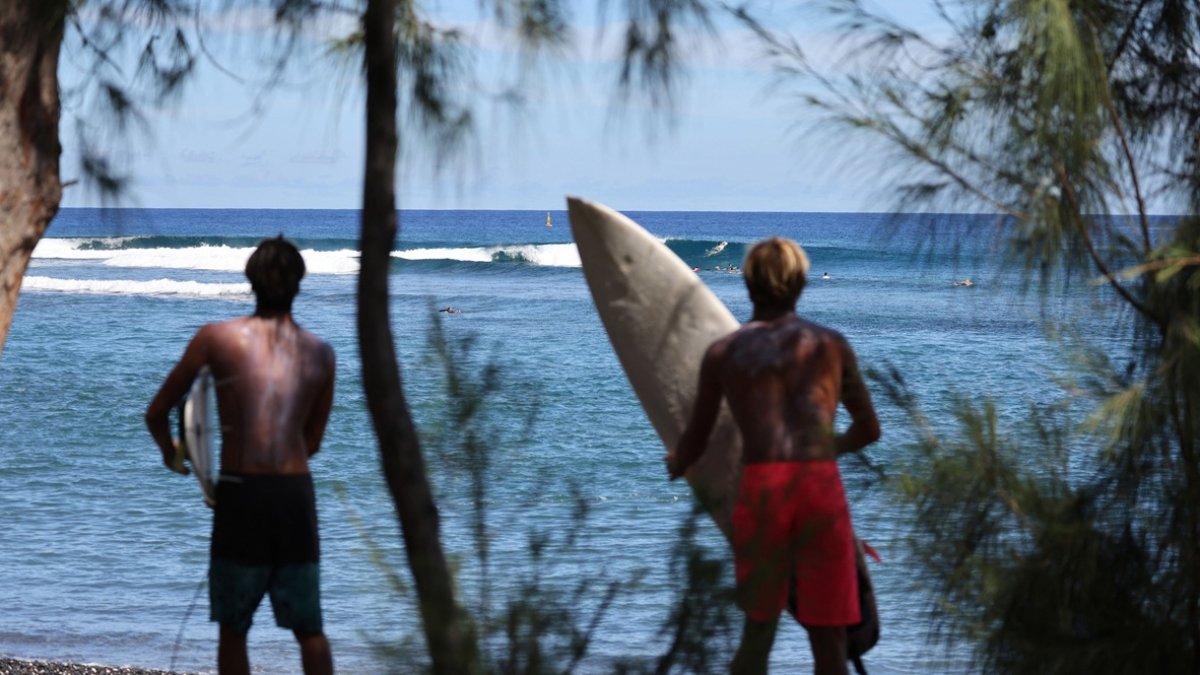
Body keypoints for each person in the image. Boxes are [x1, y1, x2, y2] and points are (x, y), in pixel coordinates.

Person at [666, 237, 880, 675]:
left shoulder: (724, 353)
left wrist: (677, 463)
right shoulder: (831, 346)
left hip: (764, 493)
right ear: (801, 284)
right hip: (819, 490)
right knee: (829, 638)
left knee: (758, 633)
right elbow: (868, 429)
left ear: (748, 284)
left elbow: (695, 442)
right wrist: (828, 448)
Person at [145, 237, 336, 675]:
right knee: (309, 627)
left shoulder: (216, 338)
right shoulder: (321, 353)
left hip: (240, 493)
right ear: (300, 283)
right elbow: (312, 443)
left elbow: (157, 413)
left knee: (234, 627)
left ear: (250, 281)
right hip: (294, 496)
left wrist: (174, 454)